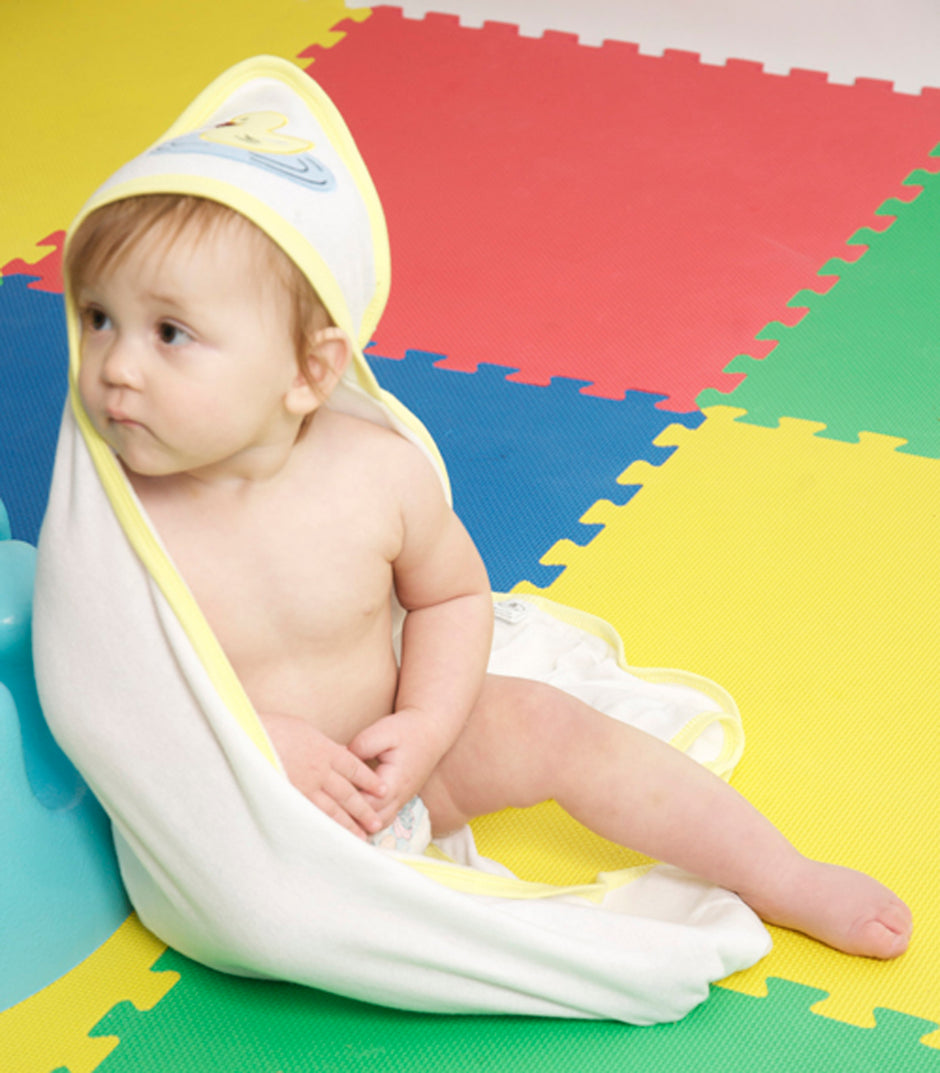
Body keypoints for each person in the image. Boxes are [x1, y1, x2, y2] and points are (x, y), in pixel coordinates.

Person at [65, 188, 912, 963]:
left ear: (309, 371)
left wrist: (427, 726)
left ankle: (784, 875)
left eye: (169, 332)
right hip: (243, 812)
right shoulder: (113, 519)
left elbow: (454, 596)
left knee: (549, 722)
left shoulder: (377, 473)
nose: (116, 366)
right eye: (99, 318)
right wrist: (254, 741)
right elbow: (103, 686)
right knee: (263, 923)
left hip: (399, 768)